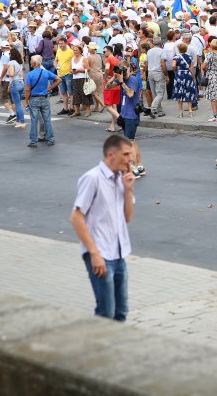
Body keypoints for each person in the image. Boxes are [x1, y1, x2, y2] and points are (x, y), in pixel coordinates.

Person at [71, 135, 136, 322]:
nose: (130, 159)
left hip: (119, 253)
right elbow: (76, 217)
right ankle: (96, 349)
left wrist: (129, 190)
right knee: (105, 313)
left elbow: (127, 217)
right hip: (100, 255)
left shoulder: (122, 180)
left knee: (121, 311)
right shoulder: (93, 178)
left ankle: (114, 349)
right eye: (126, 154)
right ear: (111, 155)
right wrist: (94, 254)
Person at [23, 55, 61, 148]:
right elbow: (59, 79)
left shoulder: (30, 74)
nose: (30, 63)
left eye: (31, 61)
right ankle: (50, 139)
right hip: (44, 98)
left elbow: (27, 89)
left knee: (34, 121)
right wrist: (50, 88)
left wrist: (26, 101)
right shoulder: (45, 72)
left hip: (34, 99)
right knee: (47, 119)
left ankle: (33, 141)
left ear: (34, 63)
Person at [203, 38, 217, 121]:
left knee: (213, 97)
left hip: (212, 76)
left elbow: (203, 66)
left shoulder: (209, 54)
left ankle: (215, 115)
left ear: (211, 46)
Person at [144, 37, 167, 118]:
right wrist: (166, 75)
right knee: (160, 93)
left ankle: (159, 110)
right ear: (160, 43)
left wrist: (145, 74)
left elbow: (146, 64)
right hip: (158, 72)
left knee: (155, 93)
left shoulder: (149, 51)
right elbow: (163, 64)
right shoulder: (162, 51)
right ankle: (153, 109)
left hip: (150, 72)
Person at [172, 42, 196, 118]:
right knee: (189, 92)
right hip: (187, 75)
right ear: (186, 49)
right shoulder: (189, 57)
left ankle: (180, 112)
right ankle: (190, 111)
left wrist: (176, 70)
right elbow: (191, 68)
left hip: (180, 75)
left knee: (180, 92)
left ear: (179, 49)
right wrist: (193, 76)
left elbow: (173, 65)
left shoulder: (176, 57)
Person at [70, 43, 93, 118]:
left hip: (83, 78)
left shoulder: (83, 58)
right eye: (74, 50)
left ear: (80, 51)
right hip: (75, 78)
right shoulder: (72, 59)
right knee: (76, 95)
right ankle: (77, 111)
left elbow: (88, 69)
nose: (75, 51)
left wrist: (79, 70)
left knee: (85, 94)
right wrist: (72, 71)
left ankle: (88, 111)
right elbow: (70, 69)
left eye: (76, 50)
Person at [7, 48, 27, 129]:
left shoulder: (11, 63)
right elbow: (23, 75)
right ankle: (18, 121)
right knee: (18, 103)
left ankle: (21, 121)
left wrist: (7, 73)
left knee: (17, 104)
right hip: (21, 83)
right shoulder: (20, 63)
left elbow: (11, 74)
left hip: (14, 84)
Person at [55, 37, 74, 115]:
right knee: (63, 92)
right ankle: (65, 108)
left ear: (66, 43)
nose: (60, 45)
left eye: (62, 43)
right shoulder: (58, 51)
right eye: (59, 43)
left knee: (70, 92)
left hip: (68, 74)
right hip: (60, 74)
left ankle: (71, 108)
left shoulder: (70, 51)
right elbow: (56, 60)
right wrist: (55, 65)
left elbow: (74, 60)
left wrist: (71, 68)